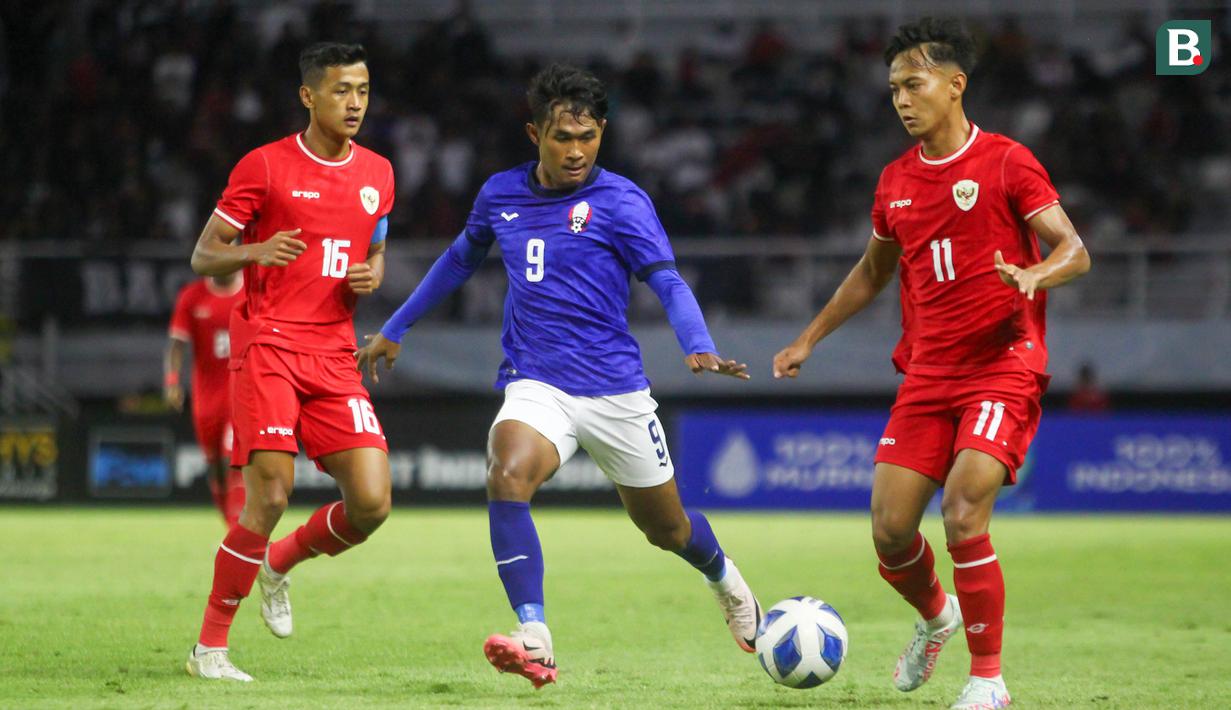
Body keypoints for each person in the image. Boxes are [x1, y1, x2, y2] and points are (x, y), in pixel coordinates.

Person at [355, 64, 761, 690]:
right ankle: (534, 635)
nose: (576, 151)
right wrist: (396, 326)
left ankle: (726, 580)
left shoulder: (623, 201)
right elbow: (459, 259)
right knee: (507, 471)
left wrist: (697, 343)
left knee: (667, 529)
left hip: (615, 389)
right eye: (562, 137)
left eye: (588, 137)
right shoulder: (500, 195)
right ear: (534, 134)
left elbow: (666, 280)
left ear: (603, 133)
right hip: (537, 380)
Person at [773, 18, 1090, 710]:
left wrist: (1036, 275)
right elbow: (871, 272)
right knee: (890, 533)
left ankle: (988, 681)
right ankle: (937, 616)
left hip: (1002, 363)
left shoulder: (1006, 162)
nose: (901, 100)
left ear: (955, 85)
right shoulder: (895, 181)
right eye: (893, 89)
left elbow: (1074, 249)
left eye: (913, 85)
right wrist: (808, 339)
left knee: (963, 510)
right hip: (927, 372)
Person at [183, 42, 396, 682]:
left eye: (362, 90)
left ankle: (279, 563)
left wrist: (372, 275)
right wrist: (255, 251)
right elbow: (203, 254)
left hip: (335, 351)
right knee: (271, 494)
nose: (354, 103)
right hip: (269, 343)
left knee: (372, 503)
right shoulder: (266, 166)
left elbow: (376, 250)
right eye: (341, 90)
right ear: (308, 96)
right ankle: (209, 649)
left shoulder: (379, 173)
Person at [166, 273, 245, 528]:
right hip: (207, 398)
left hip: (241, 393)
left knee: (232, 460)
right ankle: (229, 523)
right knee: (216, 466)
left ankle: (237, 532)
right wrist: (172, 381)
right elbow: (176, 344)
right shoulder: (192, 296)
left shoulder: (252, 291)